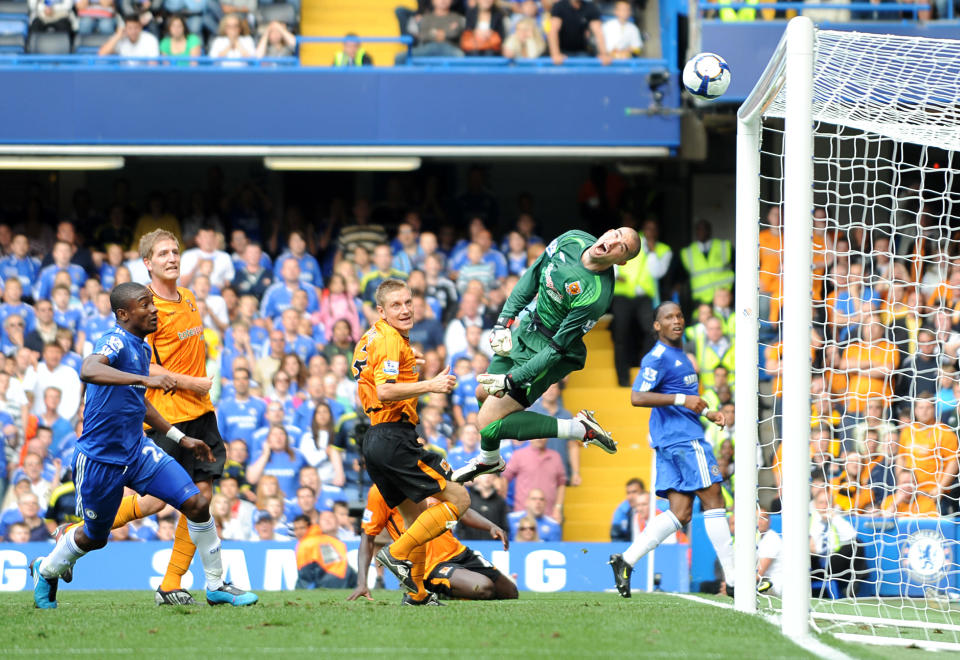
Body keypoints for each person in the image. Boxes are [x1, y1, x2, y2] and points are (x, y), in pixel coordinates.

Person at [30, 282, 257, 609]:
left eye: (153, 303)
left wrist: (181, 438)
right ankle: (47, 569)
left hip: (137, 452)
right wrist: (145, 379)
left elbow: (140, 403)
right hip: (100, 460)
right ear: (124, 314)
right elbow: (89, 369)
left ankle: (216, 585)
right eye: (145, 305)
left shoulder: (141, 347)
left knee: (196, 502)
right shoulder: (115, 340)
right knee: (95, 538)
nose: (153, 310)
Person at [452, 228, 641, 483]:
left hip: (548, 352)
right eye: (616, 233)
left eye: (623, 246)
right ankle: (490, 460)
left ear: (621, 261)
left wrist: (511, 380)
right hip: (528, 327)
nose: (614, 241)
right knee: (481, 393)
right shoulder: (571, 239)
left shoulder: (595, 295)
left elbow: (557, 348)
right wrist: (504, 321)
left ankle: (578, 428)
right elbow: (532, 276)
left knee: (485, 424)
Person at [352, 278, 471, 602]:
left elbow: (366, 368)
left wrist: (407, 358)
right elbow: (385, 390)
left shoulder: (374, 335)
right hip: (394, 436)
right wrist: (430, 385)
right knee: (459, 499)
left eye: (408, 303)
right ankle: (396, 552)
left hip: (376, 439)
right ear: (381, 310)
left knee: (415, 518)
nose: (404, 310)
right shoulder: (391, 341)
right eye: (396, 305)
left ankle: (417, 594)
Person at [609, 301, 734, 598]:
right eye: (668, 317)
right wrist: (683, 401)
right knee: (715, 499)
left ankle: (626, 561)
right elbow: (637, 397)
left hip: (673, 439)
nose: (676, 321)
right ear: (657, 325)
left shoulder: (681, 356)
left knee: (680, 512)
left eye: (679, 315)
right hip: (683, 440)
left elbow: (688, 399)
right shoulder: (658, 357)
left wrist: (707, 413)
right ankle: (735, 580)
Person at [348, 483, 515, 604]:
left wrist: (491, 526)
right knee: (484, 588)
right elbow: (367, 537)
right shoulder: (380, 491)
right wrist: (362, 582)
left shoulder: (428, 477)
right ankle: (432, 590)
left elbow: (460, 508)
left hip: (457, 552)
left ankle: (449, 588)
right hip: (429, 565)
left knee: (510, 592)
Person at [680, 220, 734, 306]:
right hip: (701, 300)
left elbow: (737, 268)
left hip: (724, 296)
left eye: (704, 229)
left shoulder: (723, 246)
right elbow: (681, 276)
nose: (701, 232)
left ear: (709, 231)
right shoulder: (687, 253)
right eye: (699, 229)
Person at [547, 0, 611, 66]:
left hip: (582, 53)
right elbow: (553, 31)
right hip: (563, 53)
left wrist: (604, 54)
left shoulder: (590, 7)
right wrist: (556, 54)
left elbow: (598, 32)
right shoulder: (559, 6)